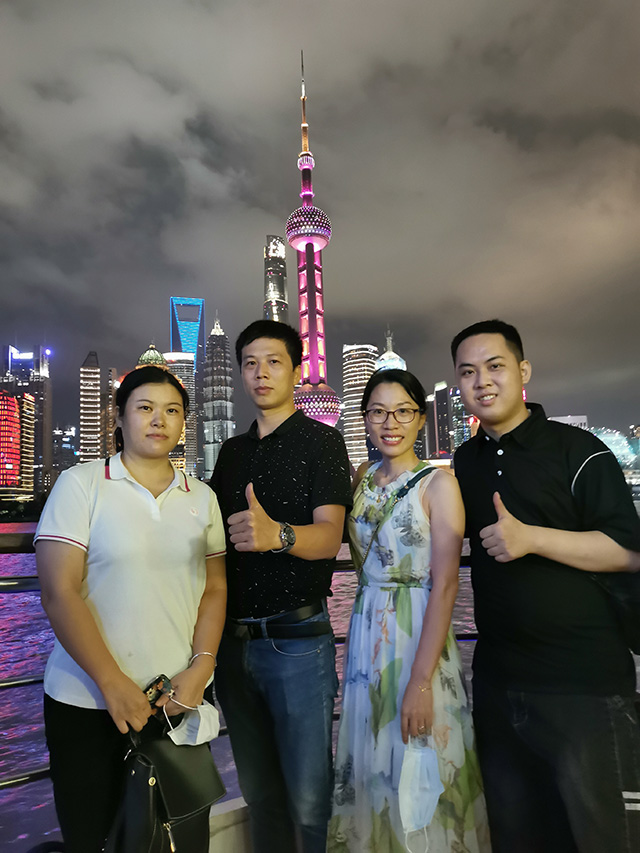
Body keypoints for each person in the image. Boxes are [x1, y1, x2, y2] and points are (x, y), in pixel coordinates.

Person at [451, 319, 640, 853]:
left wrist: (532, 538)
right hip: (498, 683)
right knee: (517, 836)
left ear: (523, 371)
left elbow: (629, 550)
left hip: (584, 685)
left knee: (602, 836)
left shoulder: (578, 450)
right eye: (467, 372)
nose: (482, 381)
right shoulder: (465, 460)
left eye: (495, 366)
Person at [35, 365, 227, 853]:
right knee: (93, 839)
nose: (158, 419)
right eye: (144, 408)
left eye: (172, 410)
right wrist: (111, 682)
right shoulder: (81, 484)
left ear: (184, 422)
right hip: (86, 701)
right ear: (118, 418)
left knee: (178, 837)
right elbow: (59, 591)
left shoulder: (202, 497)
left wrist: (201, 669)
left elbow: (214, 589)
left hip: (174, 701)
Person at [328, 368, 490, 853]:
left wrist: (420, 681)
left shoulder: (439, 485)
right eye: (378, 412)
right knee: (373, 757)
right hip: (366, 632)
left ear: (421, 418)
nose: (390, 423)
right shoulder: (361, 477)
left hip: (417, 632)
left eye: (402, 411)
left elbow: (445, 584)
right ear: (365, 419)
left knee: (423, 751)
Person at [210, 319, 352, 853]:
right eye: (250, 363)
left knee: (311, 802)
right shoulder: (231, 453)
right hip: (232, 646)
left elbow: (330, 537)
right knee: (261, 796)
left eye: (273, 361)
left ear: (296, 370)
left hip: (297, 643)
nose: (260, 373)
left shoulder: (323, 442)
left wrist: (278, 535)